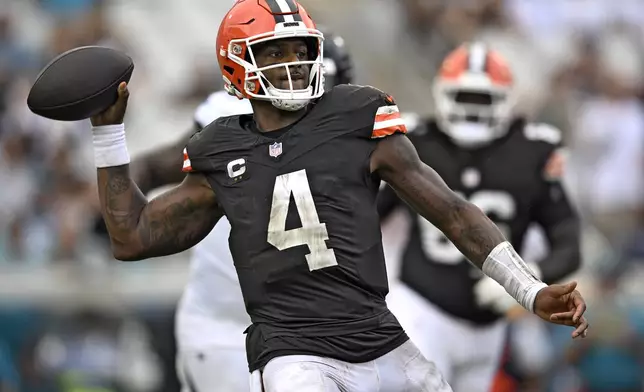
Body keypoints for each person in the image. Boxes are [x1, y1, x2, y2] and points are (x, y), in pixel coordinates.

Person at [86, 1, 588, 391]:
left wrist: (530, 289)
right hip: (293, 353)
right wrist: (108, 134)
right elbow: (133, 237)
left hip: (378, 337)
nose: (292, 63)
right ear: (236, 64)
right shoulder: (221, 147)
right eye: (274, 53)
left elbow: (452, 212)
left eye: (300, 50)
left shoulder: (355, 116)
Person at [127, 27, 354, 392]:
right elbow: (154, 167)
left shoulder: (360, 141)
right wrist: (117, 208)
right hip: (226, 327)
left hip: (310, 331)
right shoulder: (231, 121)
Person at [381, 43, 582, 392]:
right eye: (464, 96)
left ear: (505, 99)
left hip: (491, 324)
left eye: (483, 99)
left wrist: (530, 275)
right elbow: (367, 214)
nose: (472, 109)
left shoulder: (533, 150)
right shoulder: (414, 142)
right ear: (442, 94)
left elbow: (567, 239)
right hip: (422, 307)